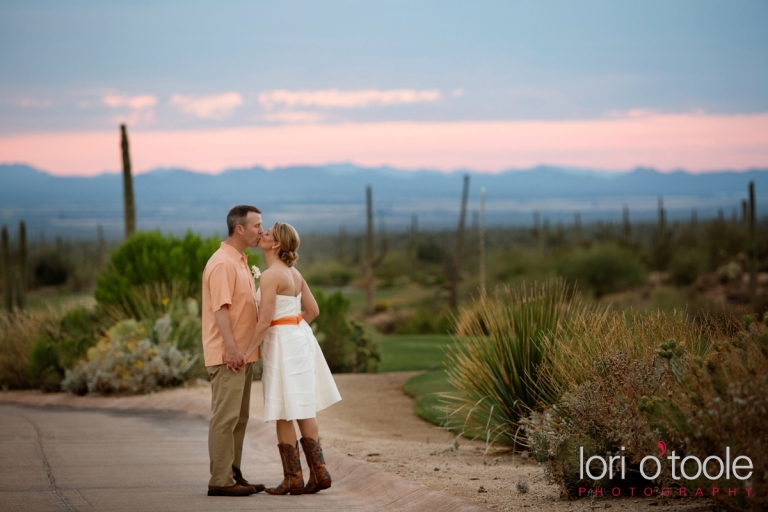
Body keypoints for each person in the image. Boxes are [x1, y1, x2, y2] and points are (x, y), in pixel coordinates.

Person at [244, 222, 342, 496]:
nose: (262, 234)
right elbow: (313, 310)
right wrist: (294, 327)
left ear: (276, 244)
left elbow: (264, 320)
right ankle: (320, 473)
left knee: (283, 410)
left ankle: (293, 479)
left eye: (267, 234)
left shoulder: (270, 275)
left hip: (283, 344)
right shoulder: (295, 274)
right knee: (304, 407)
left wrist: (248, 351)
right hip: (300, 340)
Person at [201, 205, 265, 497]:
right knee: (225, 418)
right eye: (257, 225)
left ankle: (233, 473)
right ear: (240, 229)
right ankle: (220, 480)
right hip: (230, 356)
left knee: (239, 418)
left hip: (243, 355)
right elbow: (221, 309)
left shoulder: (240, 261)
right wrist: (231, 348)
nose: (261, 231)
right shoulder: (223, 263)